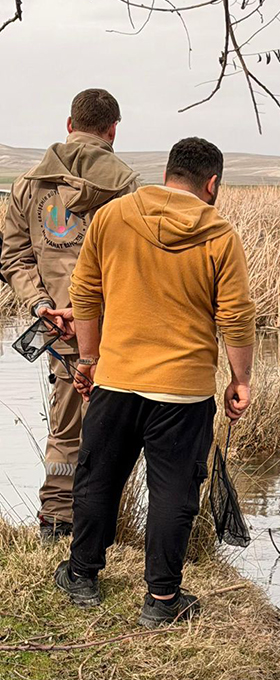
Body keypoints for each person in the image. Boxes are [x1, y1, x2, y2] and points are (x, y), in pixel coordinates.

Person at [54, 137, 256, 628]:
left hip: (116, 380)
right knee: (173, 494)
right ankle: (161, 601)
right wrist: (240, 379)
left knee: (98, 478)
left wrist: (87, 360)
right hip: (182, 392)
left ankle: (82, 575)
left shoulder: (113, 216)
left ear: (167, 173)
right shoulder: (219, 233)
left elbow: (84, 291)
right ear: (211, 183)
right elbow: (236, 315)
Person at [0, 90, 137, 539]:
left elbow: (14, 258)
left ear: (69, 124)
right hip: (116, 329)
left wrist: (43, 305)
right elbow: (132, 263)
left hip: (57, 330)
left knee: (65, 425)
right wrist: (88, 310)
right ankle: (103, 525)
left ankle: (58, 520)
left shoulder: (27, 184)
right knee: (120, 424)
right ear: (113, 129)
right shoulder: (127, 187)